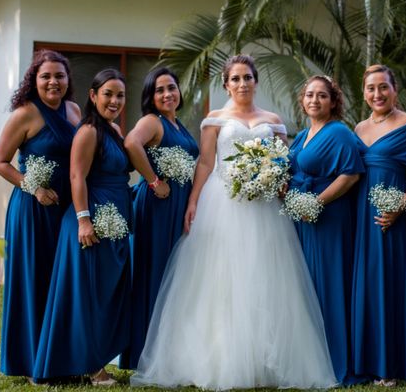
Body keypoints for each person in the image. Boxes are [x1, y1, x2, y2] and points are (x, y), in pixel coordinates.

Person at [131, 55, 336, 389]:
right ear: (226, 84)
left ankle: (266, 359)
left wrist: (275, 181)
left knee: (265, 276)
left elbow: (284, 163)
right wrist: (193, 201)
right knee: (221, 278)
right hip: (222, 202)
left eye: (248, 78)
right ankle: (220, 357)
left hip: (265, 207)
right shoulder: (214, 119)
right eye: (236, 79)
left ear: (256, 82)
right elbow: (205, 163)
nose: (242, 84)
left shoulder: (273, 119)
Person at [32, 69, 132, 385]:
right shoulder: (89, 131)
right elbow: (77, 177)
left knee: (104, 295)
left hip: (113, 221)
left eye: (120, 95)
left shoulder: (114, 129)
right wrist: (84, 220)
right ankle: (91, 368)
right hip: (92, 222)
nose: (114, 101)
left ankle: (96, 359)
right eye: (108, 94)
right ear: (93, 96)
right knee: (89, 296)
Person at [0, 50, 79, 379]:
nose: (53, 81)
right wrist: (35, 188)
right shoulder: (25, 114)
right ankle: (32, 363)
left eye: (59, 75)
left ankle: (63, 358)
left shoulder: (73, 110)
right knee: (36, 279)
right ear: (34, 80)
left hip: (66, 208)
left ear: (68, 80)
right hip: (33, 209)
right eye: (46, 76)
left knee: (63, 279)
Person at [351, 65, 406, 386]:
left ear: (395, 89)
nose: (377, 94)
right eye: (371, 88)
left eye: (384, 87)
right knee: (367, 284)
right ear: (364, 93)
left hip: (390, 216)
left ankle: (393, 366)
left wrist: (401, 205)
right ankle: (368, 363)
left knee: (390, 283)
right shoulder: (358, 128)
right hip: (361, 215)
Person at [120, 68, 199, 369]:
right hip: (157, 206)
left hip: (178, 205)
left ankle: (167, 350)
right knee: (153, 275)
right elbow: (131, 143)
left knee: (173, 277)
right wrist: (153, 181)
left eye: (172, 88)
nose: (167, 94)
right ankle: (143, 353)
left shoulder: (177, 123)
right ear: (151, 97)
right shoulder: (151, 121)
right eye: (160, 90)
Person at [288, 75, 364, 384]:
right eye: (309, 95)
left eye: (322, 96)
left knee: (329, 285)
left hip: (329, 216)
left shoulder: (339, 132)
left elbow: (351, 175)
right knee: (308, 287)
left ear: (333, 102)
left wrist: (315, 202)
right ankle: (311, 357)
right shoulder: (304, 134)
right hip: (303, 217)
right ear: (302, 100)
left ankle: (336, 362)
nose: (314, 100)